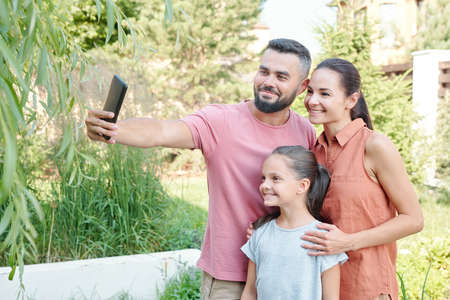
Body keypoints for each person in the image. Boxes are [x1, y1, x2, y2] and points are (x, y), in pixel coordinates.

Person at [85, 38, 316, 299]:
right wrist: (112, 130)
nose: (268, 81)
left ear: (302, 87)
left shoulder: (305, 132)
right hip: (230, 278)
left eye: (281, 76)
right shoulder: (221, 120)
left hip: (286, 274)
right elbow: (162, 130)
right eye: (264, 71)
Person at [301, 58, 424, 300]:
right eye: (310, 91)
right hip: (323, 287)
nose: (312, 101)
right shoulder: (313, 152)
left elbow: (414, 220)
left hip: (367, 286)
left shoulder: (374, 146)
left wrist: (348, 241)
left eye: (325, 93)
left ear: (351, 100)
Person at [241, 146, 347, 300]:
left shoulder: (323, 240)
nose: (265, 185)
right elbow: (250, 292)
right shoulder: (260, 234)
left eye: (275, 178)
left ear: (302, 186)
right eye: (263, 178)